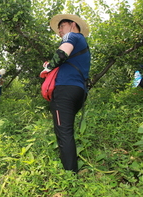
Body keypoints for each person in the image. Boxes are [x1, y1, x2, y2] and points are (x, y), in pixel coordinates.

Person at [40, 14, 91, 173]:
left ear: (73, 24)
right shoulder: (83, 45)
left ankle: (71, 176)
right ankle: (70, 168)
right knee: (66, 130)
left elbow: (62, 54)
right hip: (78, 92)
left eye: (61, 26)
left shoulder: (72, 36)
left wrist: (47, 68)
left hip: (65, 91)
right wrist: (53, 65)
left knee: (64, 132)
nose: (60, 31)